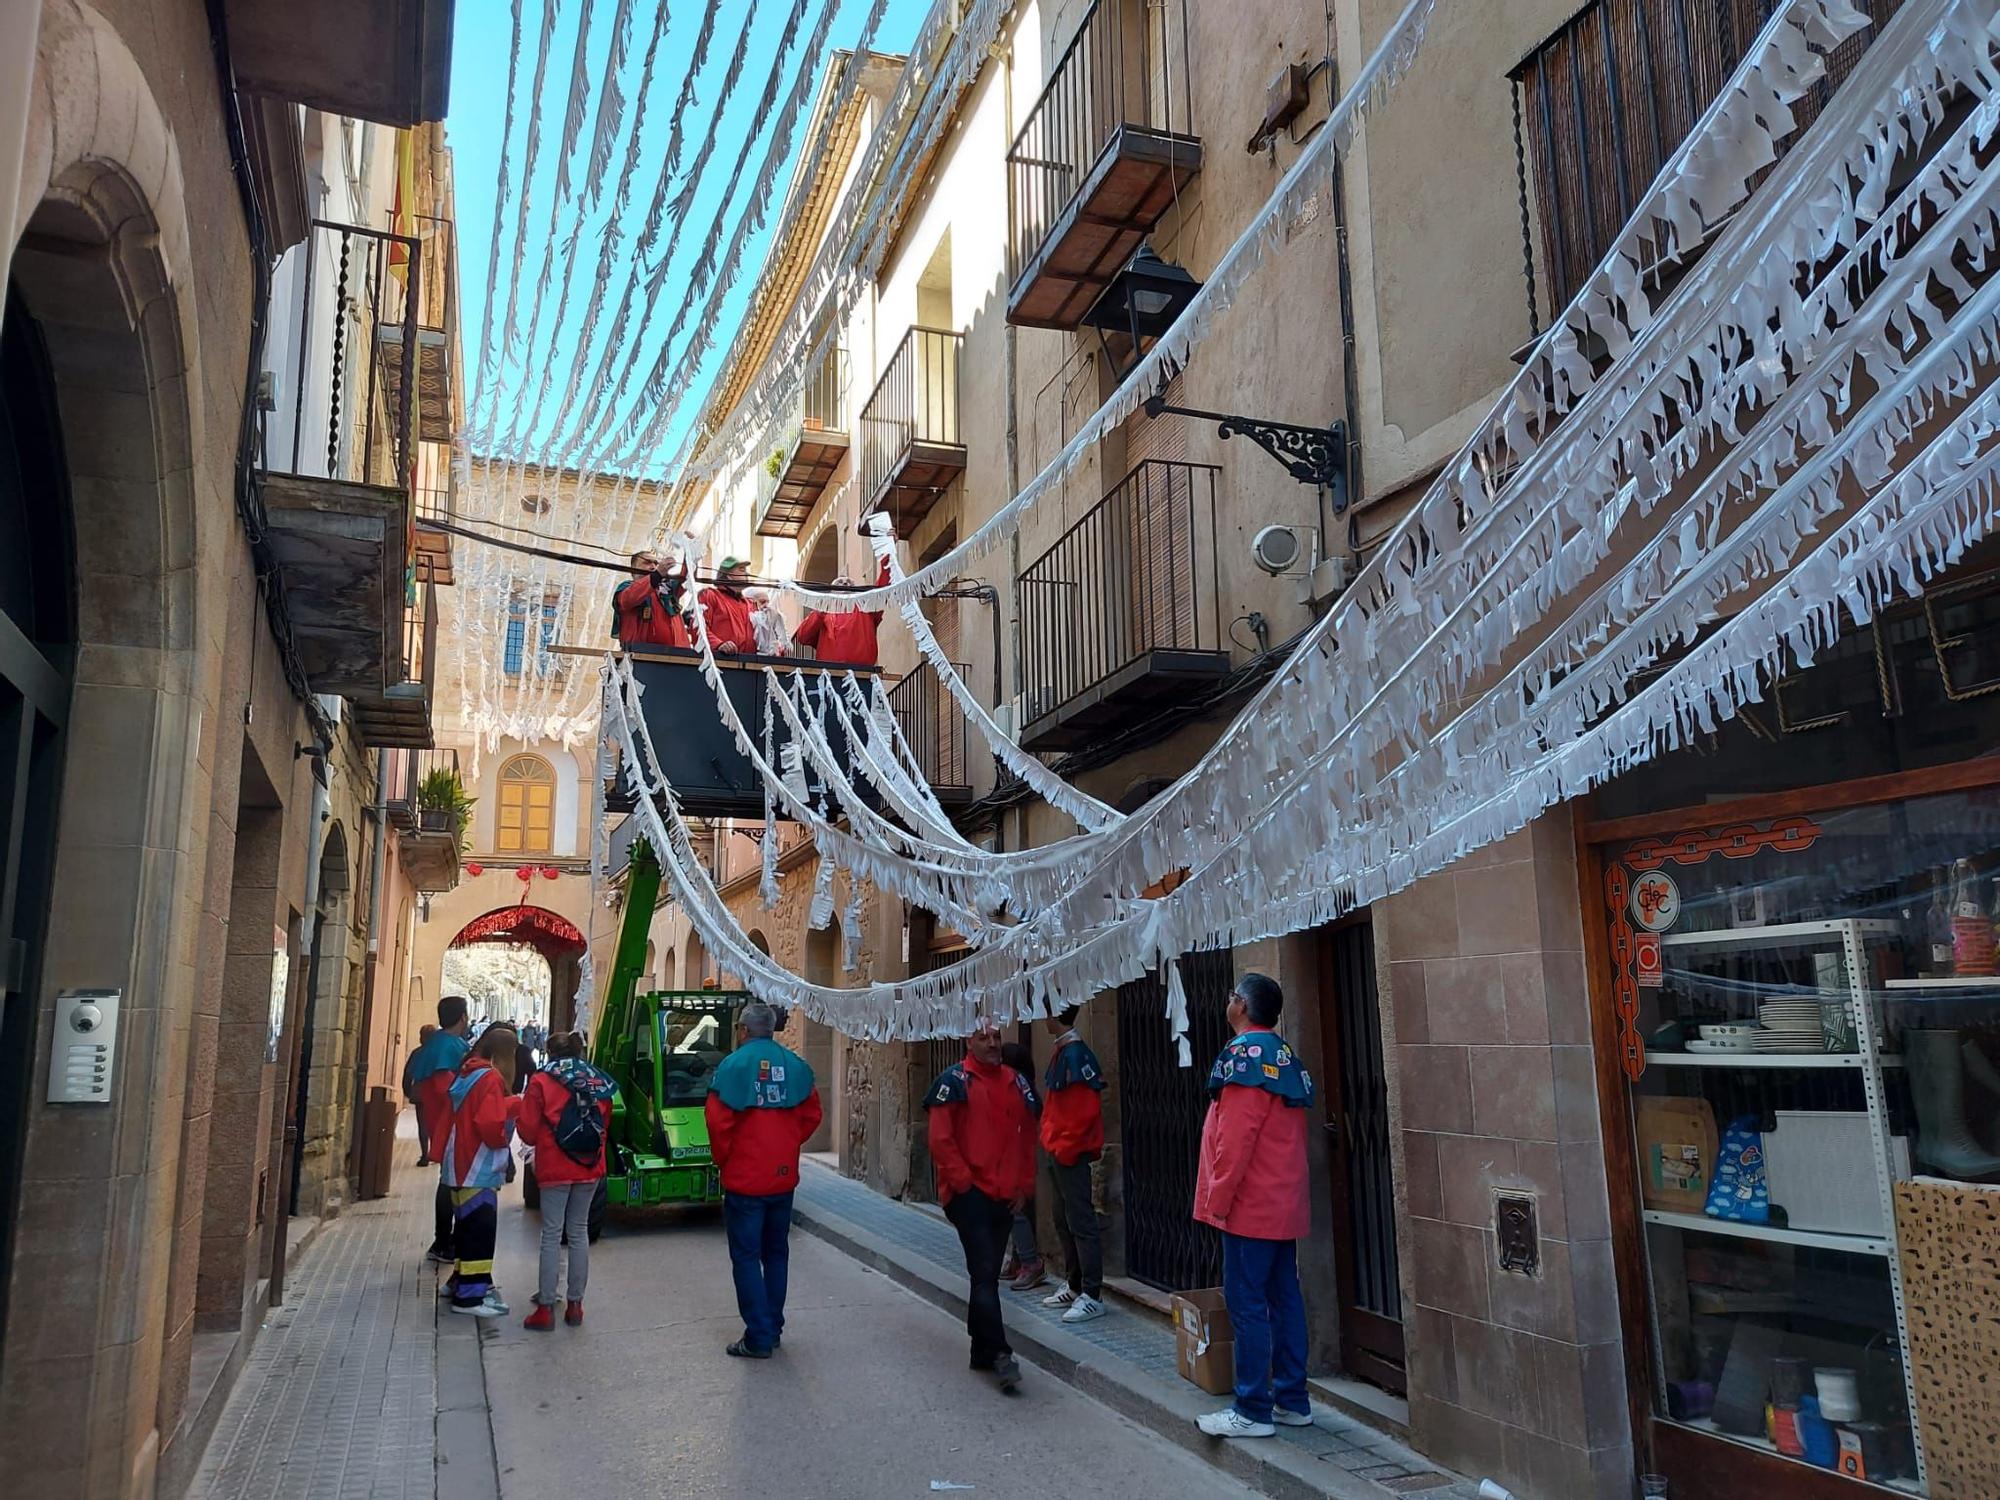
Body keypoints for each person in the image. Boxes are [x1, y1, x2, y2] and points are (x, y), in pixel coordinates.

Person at [1192, 973, 1316, 1438]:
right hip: (1282, 1201)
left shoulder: (1243, 1056)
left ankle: (1251, 1408)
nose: (1228, 1001)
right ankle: (1292, 1400)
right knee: (1285, 1300)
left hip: (1250, 1204)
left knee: (1247, 1305)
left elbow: (1235, 1139)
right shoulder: (1283, 1055)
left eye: (1232, 995)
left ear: (1241, 1006)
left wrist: (1218, 1199)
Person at [924, 1020, 1039, 1394]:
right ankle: (1001, 1354)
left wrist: (1024, 1186)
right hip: (968, 1195)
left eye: (996, 1037)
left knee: (983, 1274)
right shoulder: (953, 1082)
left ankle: (980, 1350)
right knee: (986, 1270)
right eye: (983, 1038)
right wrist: (963, 1184)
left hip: (1005, 1194)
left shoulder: (1016, 1082)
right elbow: (941, 1139)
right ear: (968, 1042)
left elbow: (1027, 1138)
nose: (992, 1043)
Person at [704, 1002, 823, 1359]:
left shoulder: (731, 1066)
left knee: (746, 1257)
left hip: (745, 1180)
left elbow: (718, 1124)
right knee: (776, 1253)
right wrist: (787, 1145)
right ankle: (772, 1328)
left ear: (743, 1030)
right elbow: (812, 1115)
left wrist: (725, 1160)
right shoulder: (796, 1066)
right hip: (783, 1180)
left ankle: (758, 1335)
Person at [515, 1031, 617, 1330]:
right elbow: (605, 1120)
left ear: (549, 1051)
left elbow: (528, 1131)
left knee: (551, 1234)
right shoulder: (596, 1078)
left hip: (554, 1166)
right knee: (579, 1232)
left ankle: (546, 1308)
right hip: (589, 1164)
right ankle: (575, 1306)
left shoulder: (541, 1080)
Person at [442, 1024, 523, 1317]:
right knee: (480, 1231)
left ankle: (461, 1282)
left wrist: (513, 1104)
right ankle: (470, 1297)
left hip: (459, 1165)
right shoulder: (490, 1078)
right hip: (477, 1167)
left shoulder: (470, 1072)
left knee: (466, 1229)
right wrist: (503, 1137)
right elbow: (489, 1122)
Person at [1038, 1006, 1108, 1323]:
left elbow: (1082, 1112)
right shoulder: (1065, 1052)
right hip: (1059, 1149)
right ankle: (1075, 1283)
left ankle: (1092, 1293)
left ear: (1054, 1016)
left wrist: (1063, 1146)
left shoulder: (1076, 1055)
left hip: (1069, 1152)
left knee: (1080, 1221)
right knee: (1062, 1218)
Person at [411, 997, 472, 1260]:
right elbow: (445, 1088)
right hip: (451, 1123)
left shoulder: (434, 1044)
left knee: (449, 1180)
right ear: (462, 1017)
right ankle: (444, 1241)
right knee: (450, 1182)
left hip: (440, 1121)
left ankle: (445, 1239)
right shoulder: (448, 1047)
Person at [997, 1040, 1046, 1291]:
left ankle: (1030, 1262)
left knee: (1014, 1209)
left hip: (1016, 1154)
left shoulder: (1015, 1084)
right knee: (1015, 1208)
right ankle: (1019, 1259)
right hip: (1016, 1152)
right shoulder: (1022, 1083)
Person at [791, 557, 891, 666]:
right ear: (831, 591)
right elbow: (803, 636)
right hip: (831, 671)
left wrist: (887, 559)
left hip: (863, 670)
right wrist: (823, 608)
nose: (845, 584)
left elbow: (882, 592)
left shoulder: (865, 608)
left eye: (849, 583)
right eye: (839, 582)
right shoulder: (824, 612)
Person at [613, 548, 688, 648]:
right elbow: (627, 599)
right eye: (647, 563)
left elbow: (687, 578)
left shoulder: (668, 589)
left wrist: (690, 552)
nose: (653, 567)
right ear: (633, 569)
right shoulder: (626, 588)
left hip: (677, 653)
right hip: (641, 653)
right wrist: (657, 575)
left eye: (656, 563)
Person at [700, 556, 758, 653]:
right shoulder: (710, 595)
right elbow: (698, 627)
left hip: (748, 660)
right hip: (719, 659)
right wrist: (718, 644)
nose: (747, 574)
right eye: (741, 570)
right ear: (728, 574)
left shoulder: (750, 604)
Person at [402, 1023, 439, 1166]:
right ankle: (435, 1152)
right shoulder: (438, 1053)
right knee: (436, 1123)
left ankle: (425, 1155)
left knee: (422, 1124)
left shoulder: (417, 1053)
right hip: (435, 1092)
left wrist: (407, 1090)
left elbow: (408, 1074)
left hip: (420, 1092)